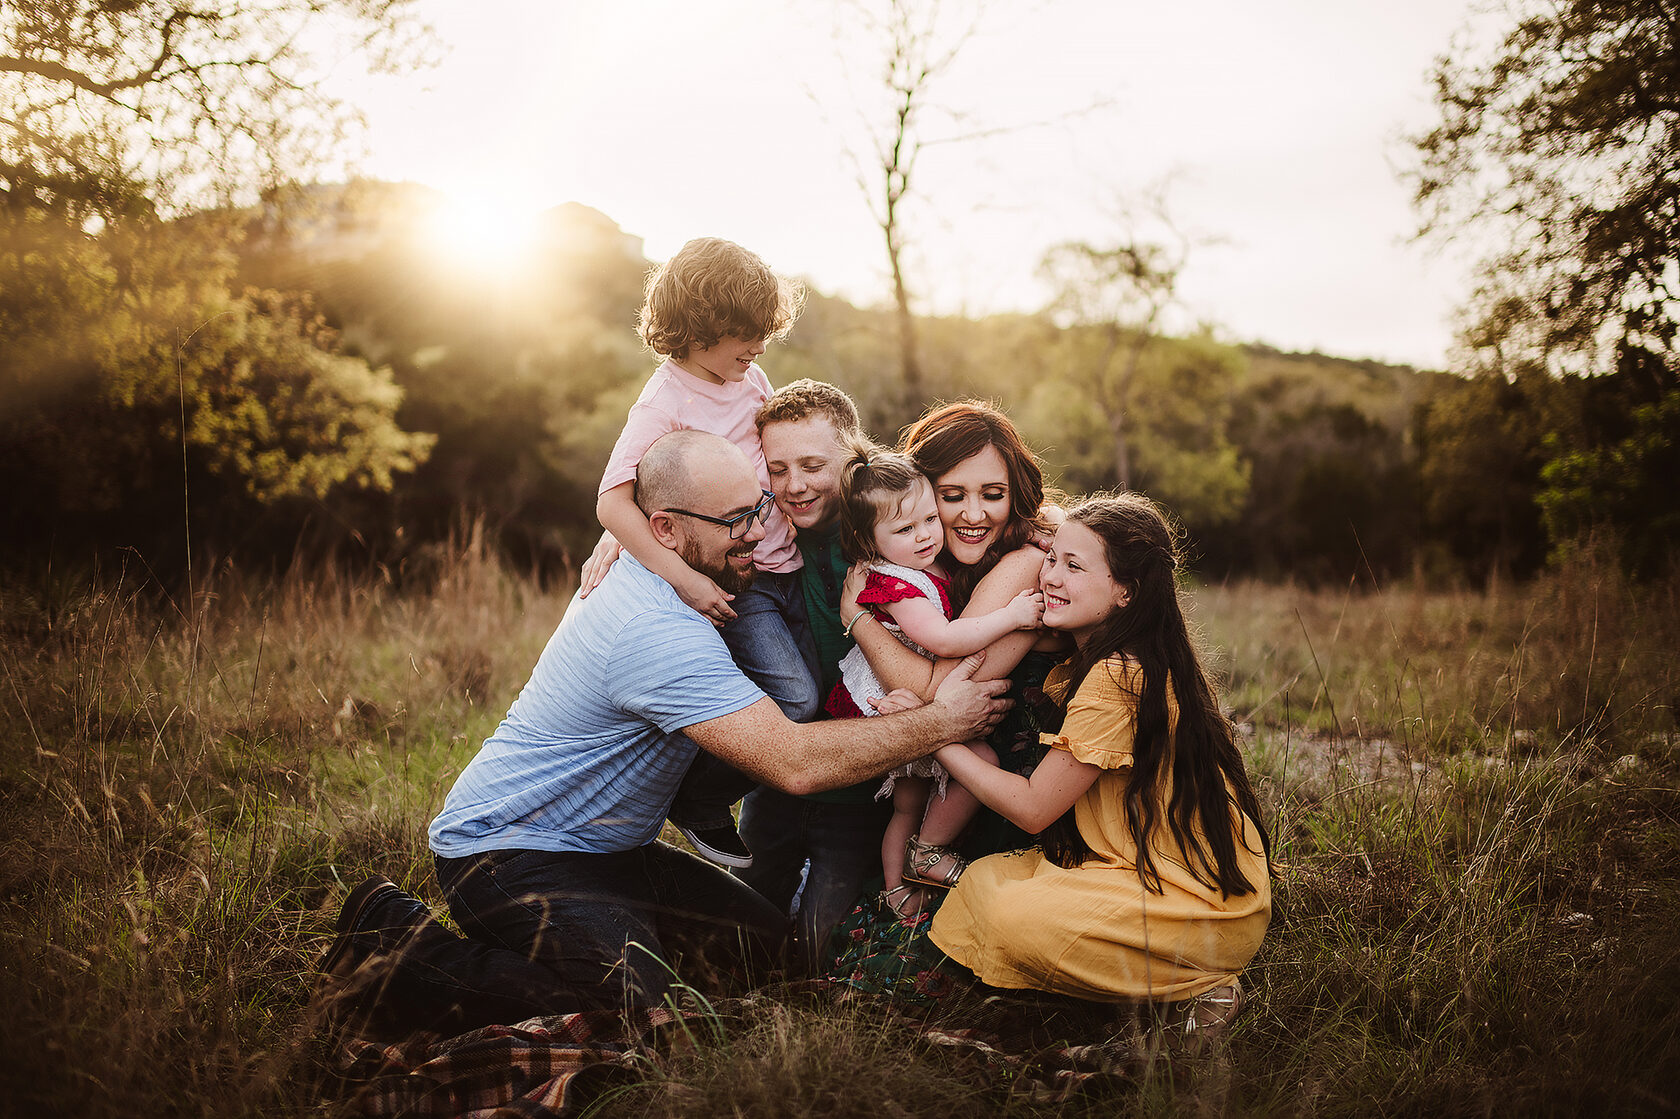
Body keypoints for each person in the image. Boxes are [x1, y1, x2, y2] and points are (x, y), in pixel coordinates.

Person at [320, 431, 1012, 1031]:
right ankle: (392, 940)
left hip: (615, 851)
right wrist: (940, 722)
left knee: (762, 955)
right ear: (667, 532)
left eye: (758, 508)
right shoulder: (654, 629)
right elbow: (792, 762)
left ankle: (606, 935)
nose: (757, 530)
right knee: (633, 1010)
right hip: (509, 853)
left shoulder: (689, 576)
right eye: (737, 518)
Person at [926, 495, 1271, 1031]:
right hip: (1137, 864)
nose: (1051, 578)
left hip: (1193, 903)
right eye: (1052, 559)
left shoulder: (1119, 674)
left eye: (1075, 566)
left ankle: (1199, 987)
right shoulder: (1114, 652)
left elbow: (1035, 809)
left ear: (1125, 592)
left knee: (1008, 917)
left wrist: (939, 733)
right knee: (992, 878)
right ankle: (1160, 982)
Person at [593, 237, 815, 869]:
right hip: (740, 584)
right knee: (795, 704)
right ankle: (697, 799)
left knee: (818, 695)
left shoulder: (749, 379)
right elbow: (613, 500)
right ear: (701, 328)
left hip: (789, 566)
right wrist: (683, 580)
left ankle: (785, 841)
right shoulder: (665, 401)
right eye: (746, 332)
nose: (760, 346)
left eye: (764, 331)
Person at [841, 401, 1069, 860]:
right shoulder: (932, 567)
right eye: (952, 496)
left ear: (1015, 494)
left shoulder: (1026, 563)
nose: (973, 514)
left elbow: (937, 695)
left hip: (1027, 799)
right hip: (970, 788)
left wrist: (858, 619)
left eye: (992, 494)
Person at [822, 442, 1042, 916]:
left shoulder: (948, 562)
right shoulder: (898, 580)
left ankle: (900, 885)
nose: (925, 534)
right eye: (954, 495)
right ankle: (910, 874)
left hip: (914, 708)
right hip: (902, 706)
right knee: (924, 796)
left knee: (910, 806)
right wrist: (1014, 616)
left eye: (992, 493)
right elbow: (943, 643)